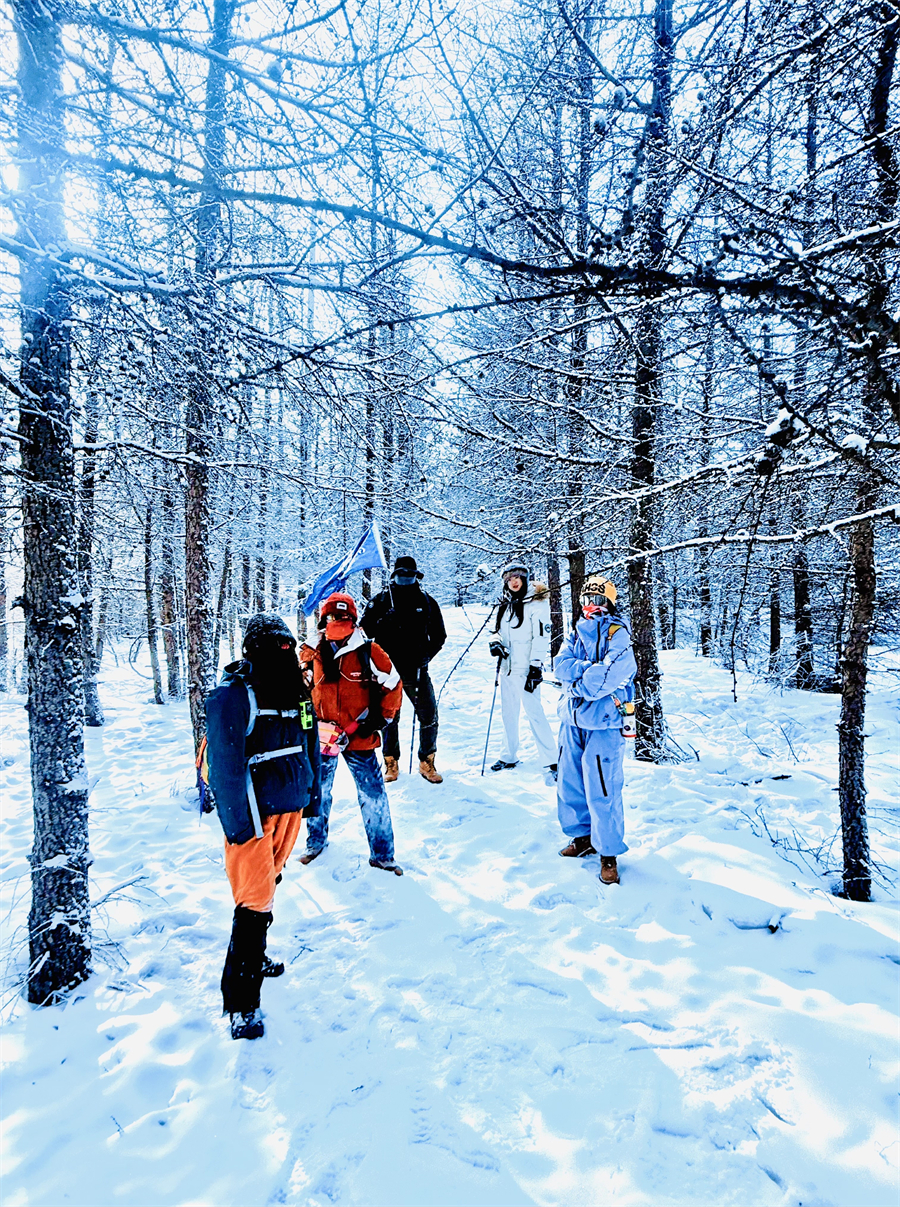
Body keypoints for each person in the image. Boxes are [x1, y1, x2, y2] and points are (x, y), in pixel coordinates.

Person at [205, 613, 321, 1040]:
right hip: (252, 815)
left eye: (286, 644)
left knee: (269, 886)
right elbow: (224, 768)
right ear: (253, 649)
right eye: (274, 645)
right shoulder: (233, 696)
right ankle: (241, 1004)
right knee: (253, 904)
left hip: (289, 807)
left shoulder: (297, 691)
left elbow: (310, 744)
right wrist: (240, 827)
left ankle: (257, 959)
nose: (283, 652)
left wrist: (312, 798)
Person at [298, 592, 404, 873]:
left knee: (373, 794)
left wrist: (379, 719)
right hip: (323, 736)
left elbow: (393, 684)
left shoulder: (369, 650)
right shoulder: (311, 650)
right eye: (332, 616)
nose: (337, 621)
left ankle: (383, 854)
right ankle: (315, 843)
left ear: (353, 620)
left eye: (343, 617)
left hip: (359, 734)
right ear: (323, 620)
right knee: (318, 792)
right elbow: (300, 687)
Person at [554, 575, 637, 886]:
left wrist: (577, 683)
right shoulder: (575, 633)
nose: (592, 606)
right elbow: (559, 666)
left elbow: (608, 676)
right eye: (587, 600)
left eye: (599, 600)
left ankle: (608, 853)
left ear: (610, 604)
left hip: (604, 722)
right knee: (570, 782)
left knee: (603, 788)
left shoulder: (618, 635)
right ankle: (582, 837)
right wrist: (586, 671)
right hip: (572, 720)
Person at [361, 555, 447, 784]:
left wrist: (427, 655)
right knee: (389, 717)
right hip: (386, 672)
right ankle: (390, 762)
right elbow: (364, 631)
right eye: (401, 576)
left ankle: (427, 761)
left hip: (416, 670)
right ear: (394, 576)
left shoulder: (426, 601)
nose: (405, 580)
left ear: (416, 577)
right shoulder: (380, 600)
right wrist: (382, 621)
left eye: (410, 577)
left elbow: (439, 635)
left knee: (429, 715)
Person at [487, 560, 557, 778]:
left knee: (535, 713)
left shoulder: (537, 604)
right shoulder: (505, 605)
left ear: (525, 578)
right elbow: (496, 631)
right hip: (506, 668)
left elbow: (541, 637)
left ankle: (553, 760)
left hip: (526, 669)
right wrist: (495, 643)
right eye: (509, 579)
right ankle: (508, 755)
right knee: (508, 713)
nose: (513, 582)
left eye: (517, 577)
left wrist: (535, 666)